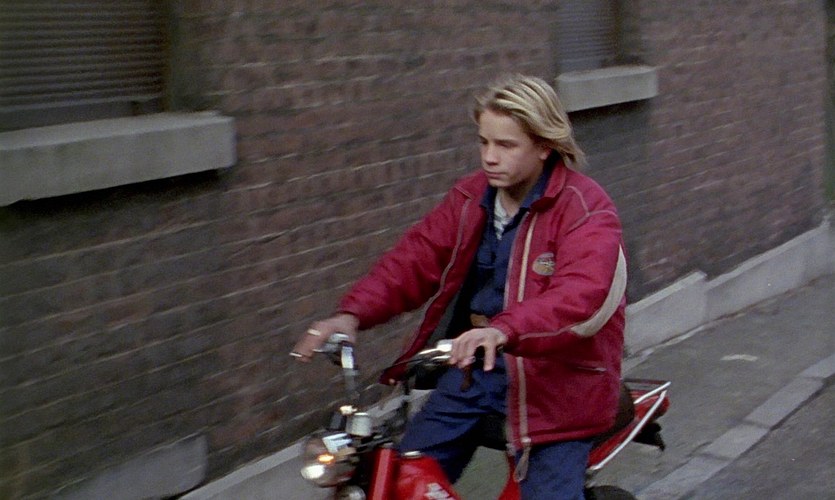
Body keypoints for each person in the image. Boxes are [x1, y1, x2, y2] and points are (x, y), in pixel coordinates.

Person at [292, 74, 627, 499]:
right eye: (483, 142)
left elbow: (580, 294)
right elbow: (416, 258)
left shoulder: (584, 208)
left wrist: (504, 329)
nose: (489, 157)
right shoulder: (472, 198)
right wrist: (352, 315)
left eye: (506, 145)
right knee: (398, 480)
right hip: (478, 373)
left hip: (557, 384)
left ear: (545, 146)